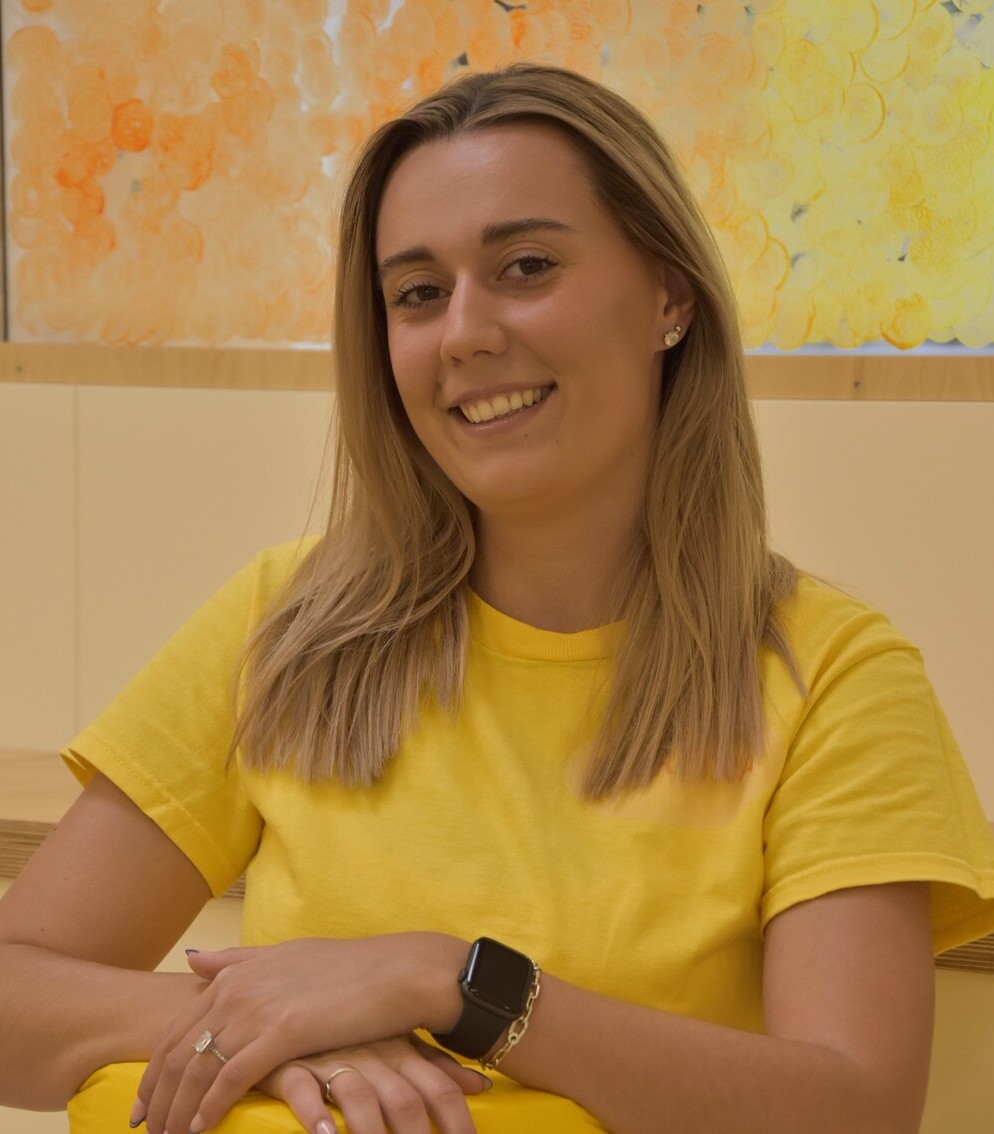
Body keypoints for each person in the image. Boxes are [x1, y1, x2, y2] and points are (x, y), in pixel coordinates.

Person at [2, 62, 993, 1134]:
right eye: (417, 294)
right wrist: (288, 1021)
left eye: (525, 267)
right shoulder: (284, 625)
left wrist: (454, 984)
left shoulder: (835, 677)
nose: (464, 333)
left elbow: (854, 1108)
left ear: (669, 296)